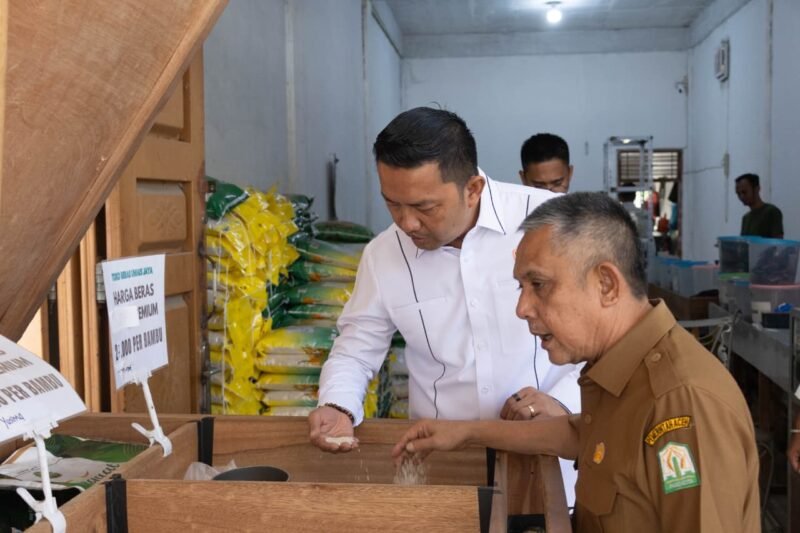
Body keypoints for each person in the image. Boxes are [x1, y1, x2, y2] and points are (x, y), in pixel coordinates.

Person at [393, 191, 760, 532]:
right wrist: (467, 432)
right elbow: (581, 434)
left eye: (539, 285)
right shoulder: (620, 372)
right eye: (521, 287)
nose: (522, 309)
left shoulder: (681, 405)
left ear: (606, 284)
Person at [308, 107, 582, 501]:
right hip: (445, 467)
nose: (407, 223)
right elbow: (356, 347)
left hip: (549, 454)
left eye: (424, 207)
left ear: (472, 189)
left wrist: (562, 401)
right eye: (392, 204)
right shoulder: (384, 255)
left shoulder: (550, 221)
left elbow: (608, 337)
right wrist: (338, 404)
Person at [735, 173, 784, 238]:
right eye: (738, 193)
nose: (741, 197)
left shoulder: (772, 212)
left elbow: (778, 244)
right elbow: (743, 244)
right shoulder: (746, 218)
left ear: (757, 189)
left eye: (744, 192)